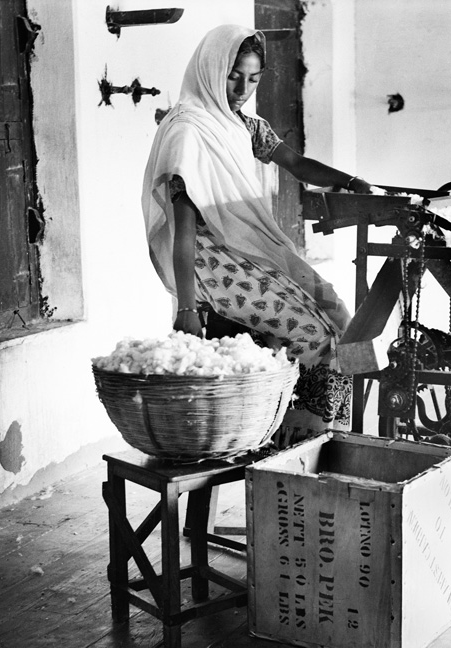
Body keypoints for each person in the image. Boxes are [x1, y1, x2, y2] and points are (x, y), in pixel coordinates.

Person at [141, 24, 374, 443]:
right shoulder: (188, 131)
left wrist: (351, 181)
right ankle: (293, 441)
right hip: (211, 262)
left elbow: (297, 165)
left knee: (337, 313)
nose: (242, 88)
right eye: (234, 76)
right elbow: (183, 228)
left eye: (253, 78)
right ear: (211, 70)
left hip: (247, 248)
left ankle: (328, 438)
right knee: (315, 335)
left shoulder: (245, 126)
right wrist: (186, 310)